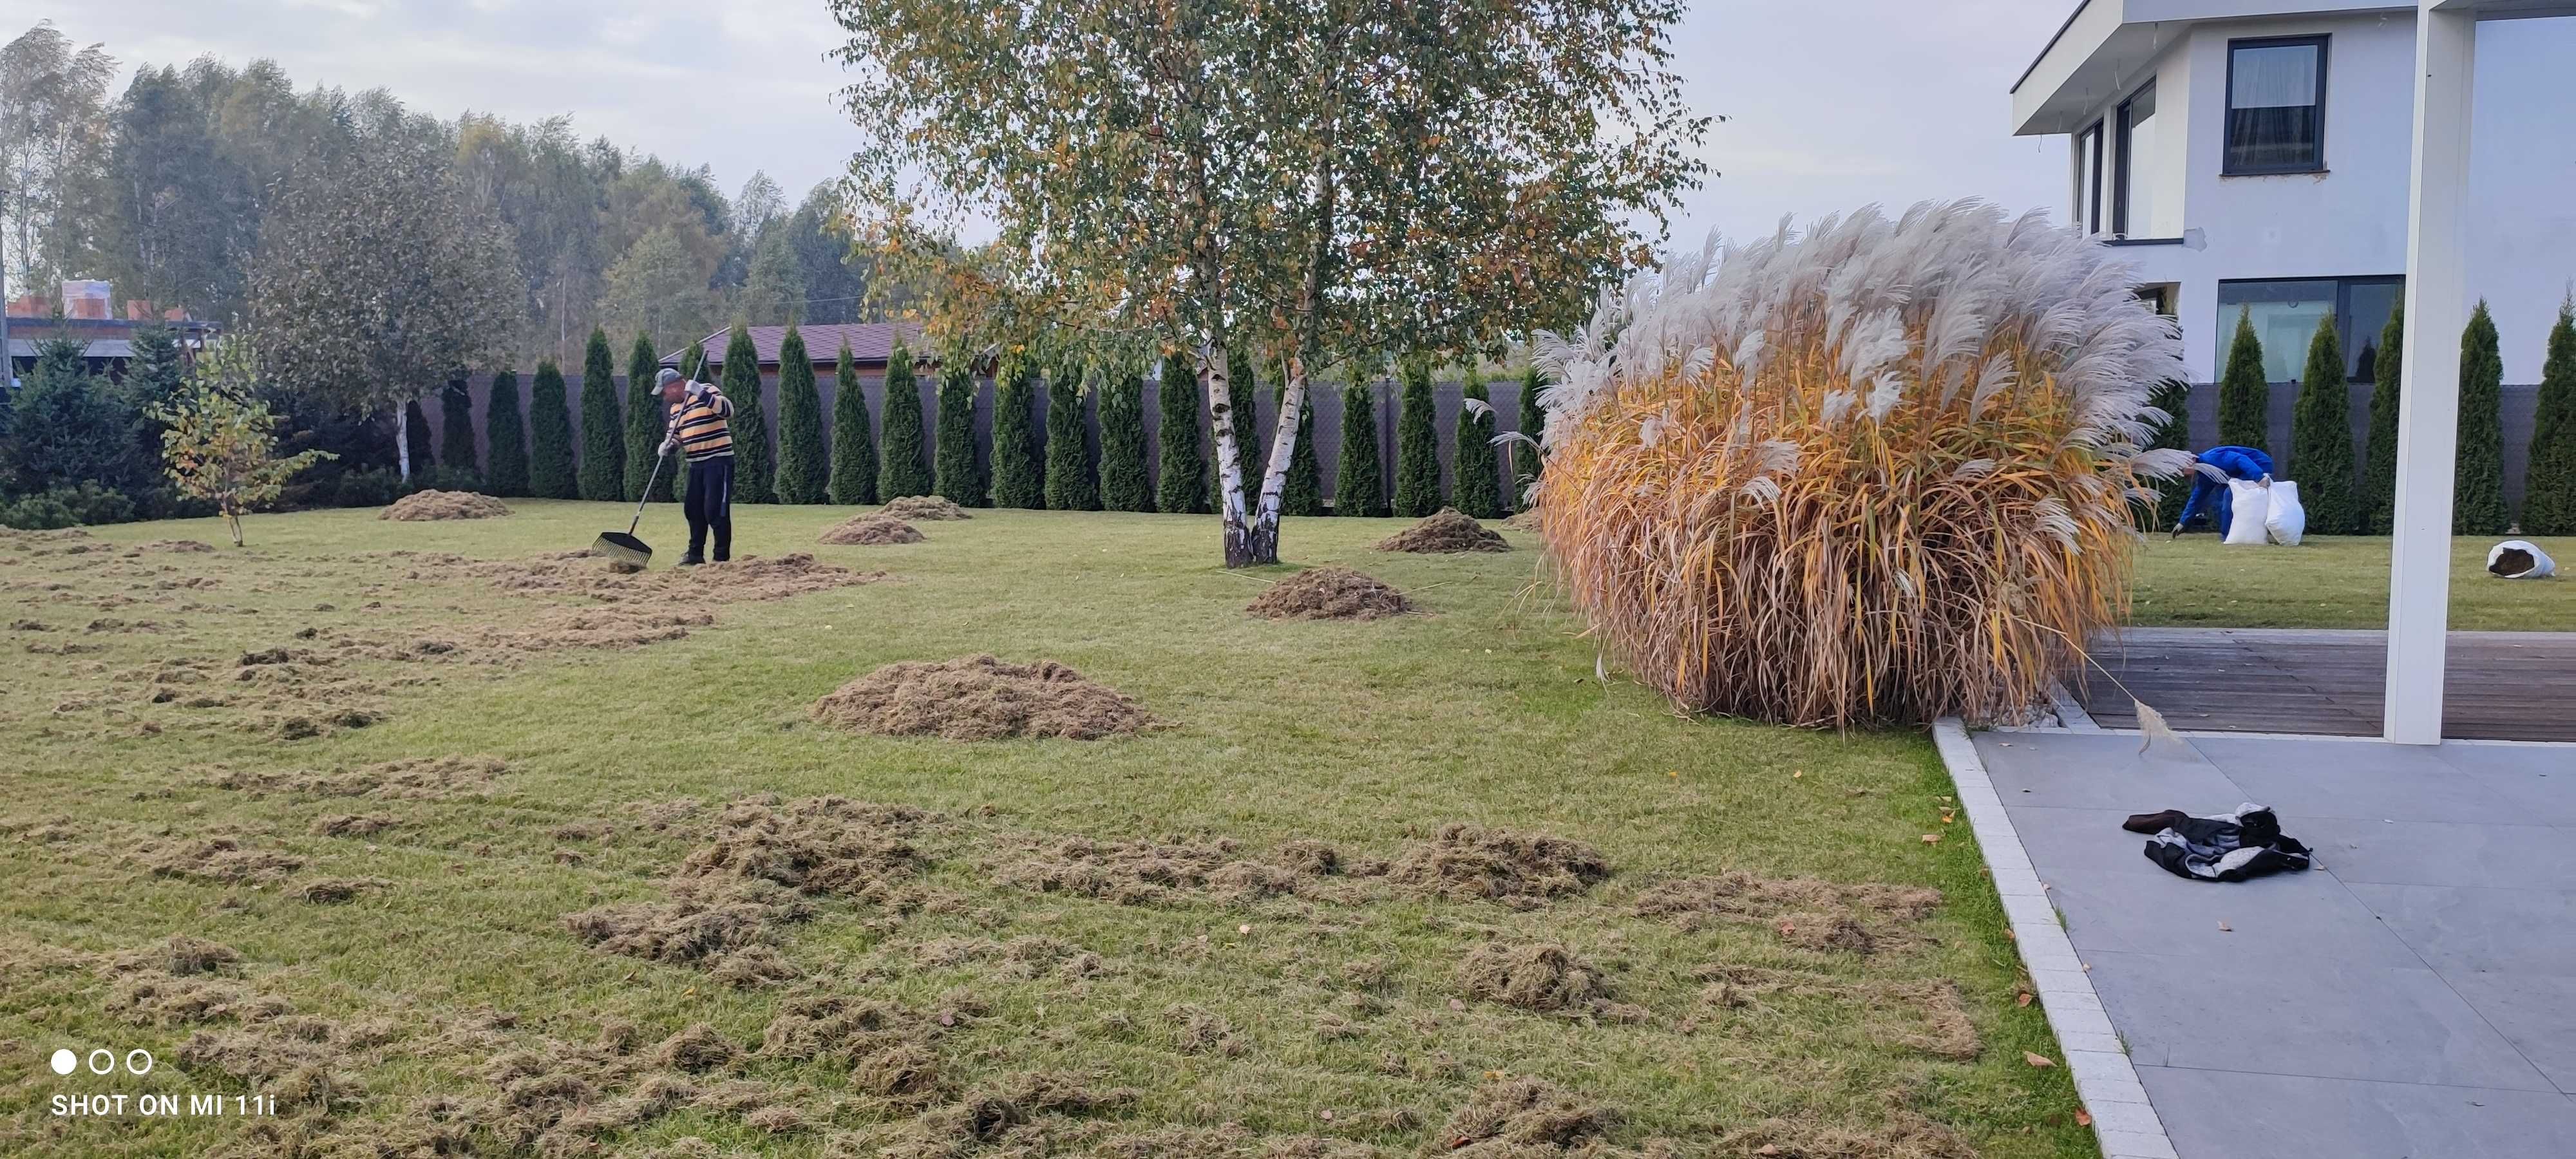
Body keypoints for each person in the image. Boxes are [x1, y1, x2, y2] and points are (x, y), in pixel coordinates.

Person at [657, 368, 735, 565]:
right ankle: (694, 556)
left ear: (674, 387)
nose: (664, 396)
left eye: (664, 391)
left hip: (718, 461)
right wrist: (668, 446)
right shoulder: (675, 408)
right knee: (693, 510)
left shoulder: (707, 390)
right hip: (696, 463)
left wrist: (701, 393)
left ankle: (721, 559)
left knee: (715, 510)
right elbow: (676, 435)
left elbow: (727, 411)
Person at [2169, 444, 2275, 539]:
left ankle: (2227, 536)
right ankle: (2230, 534)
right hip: (2246, 470)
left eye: (2182, 469)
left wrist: (2259, 477)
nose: (2182, 473)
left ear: (2191, 460)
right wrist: (2183, 523)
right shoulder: (2206, 474)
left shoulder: (2211, 459)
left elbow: (2240, 459)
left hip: (2259, 464)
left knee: (2229, 494)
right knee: (2221, 500)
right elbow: (2197, 498)